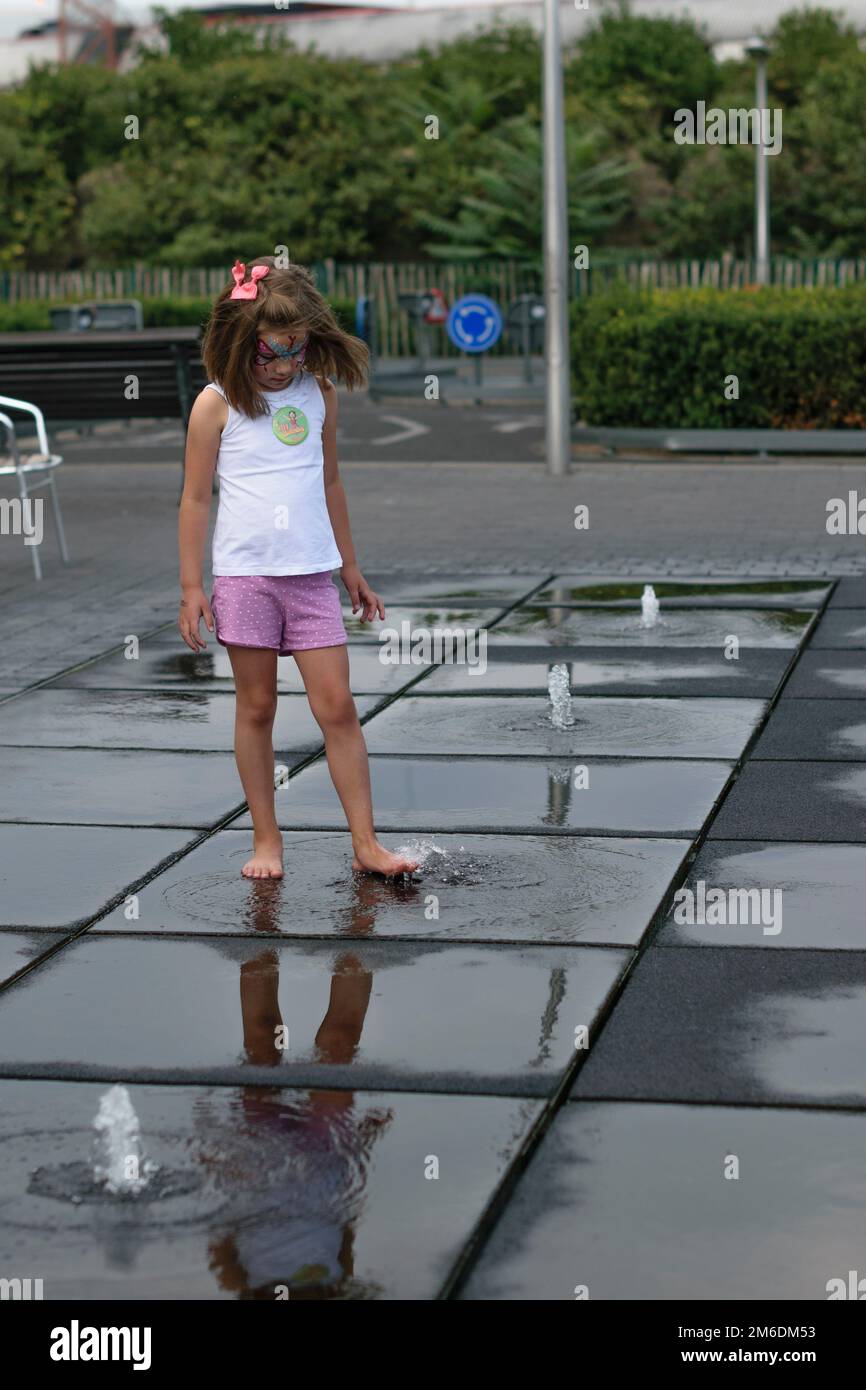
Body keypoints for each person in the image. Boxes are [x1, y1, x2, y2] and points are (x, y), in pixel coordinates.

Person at [178, 256, 418, 881]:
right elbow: (195, 499)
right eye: (272, 354)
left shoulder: (319, 394)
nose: (286, 366)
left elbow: (330, 482)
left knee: (337, 707)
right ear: (239, 343)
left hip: (311, 577)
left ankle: (366, 844)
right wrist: (190, 587)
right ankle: (266, 838)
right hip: (245, 579)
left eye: (297, 351)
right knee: (256, 709)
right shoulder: (216, 405)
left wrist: (351, 569)